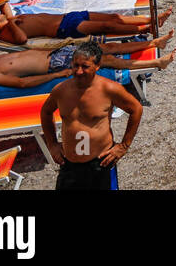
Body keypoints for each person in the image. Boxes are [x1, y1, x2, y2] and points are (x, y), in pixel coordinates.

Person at [41, 40, 147, 190]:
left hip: (100, 164)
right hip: (69, 165)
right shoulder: (61, 90)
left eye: (85, 67)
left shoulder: (109, 89)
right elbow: (45, 112)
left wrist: (124, 146)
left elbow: (136, 109)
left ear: (97, 66)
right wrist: (52, 144)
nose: (78, 71)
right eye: (75, 65)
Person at [0, 34, 176, 89]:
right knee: (108, 60)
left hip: (58, 51)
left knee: (108, 47)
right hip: (57, 64)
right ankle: (158, 64)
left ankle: (154, 44)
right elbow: (23, 83)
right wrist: (56, 76)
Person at [0, 1, 172, 45]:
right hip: (63, 28)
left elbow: (2, 0)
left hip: (69, 16)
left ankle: (152, 19)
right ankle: (147, 28)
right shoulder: (5, 31)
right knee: (106, 27)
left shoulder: (6, 16)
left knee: (113, 17)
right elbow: (21, 40)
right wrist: (11, 21)